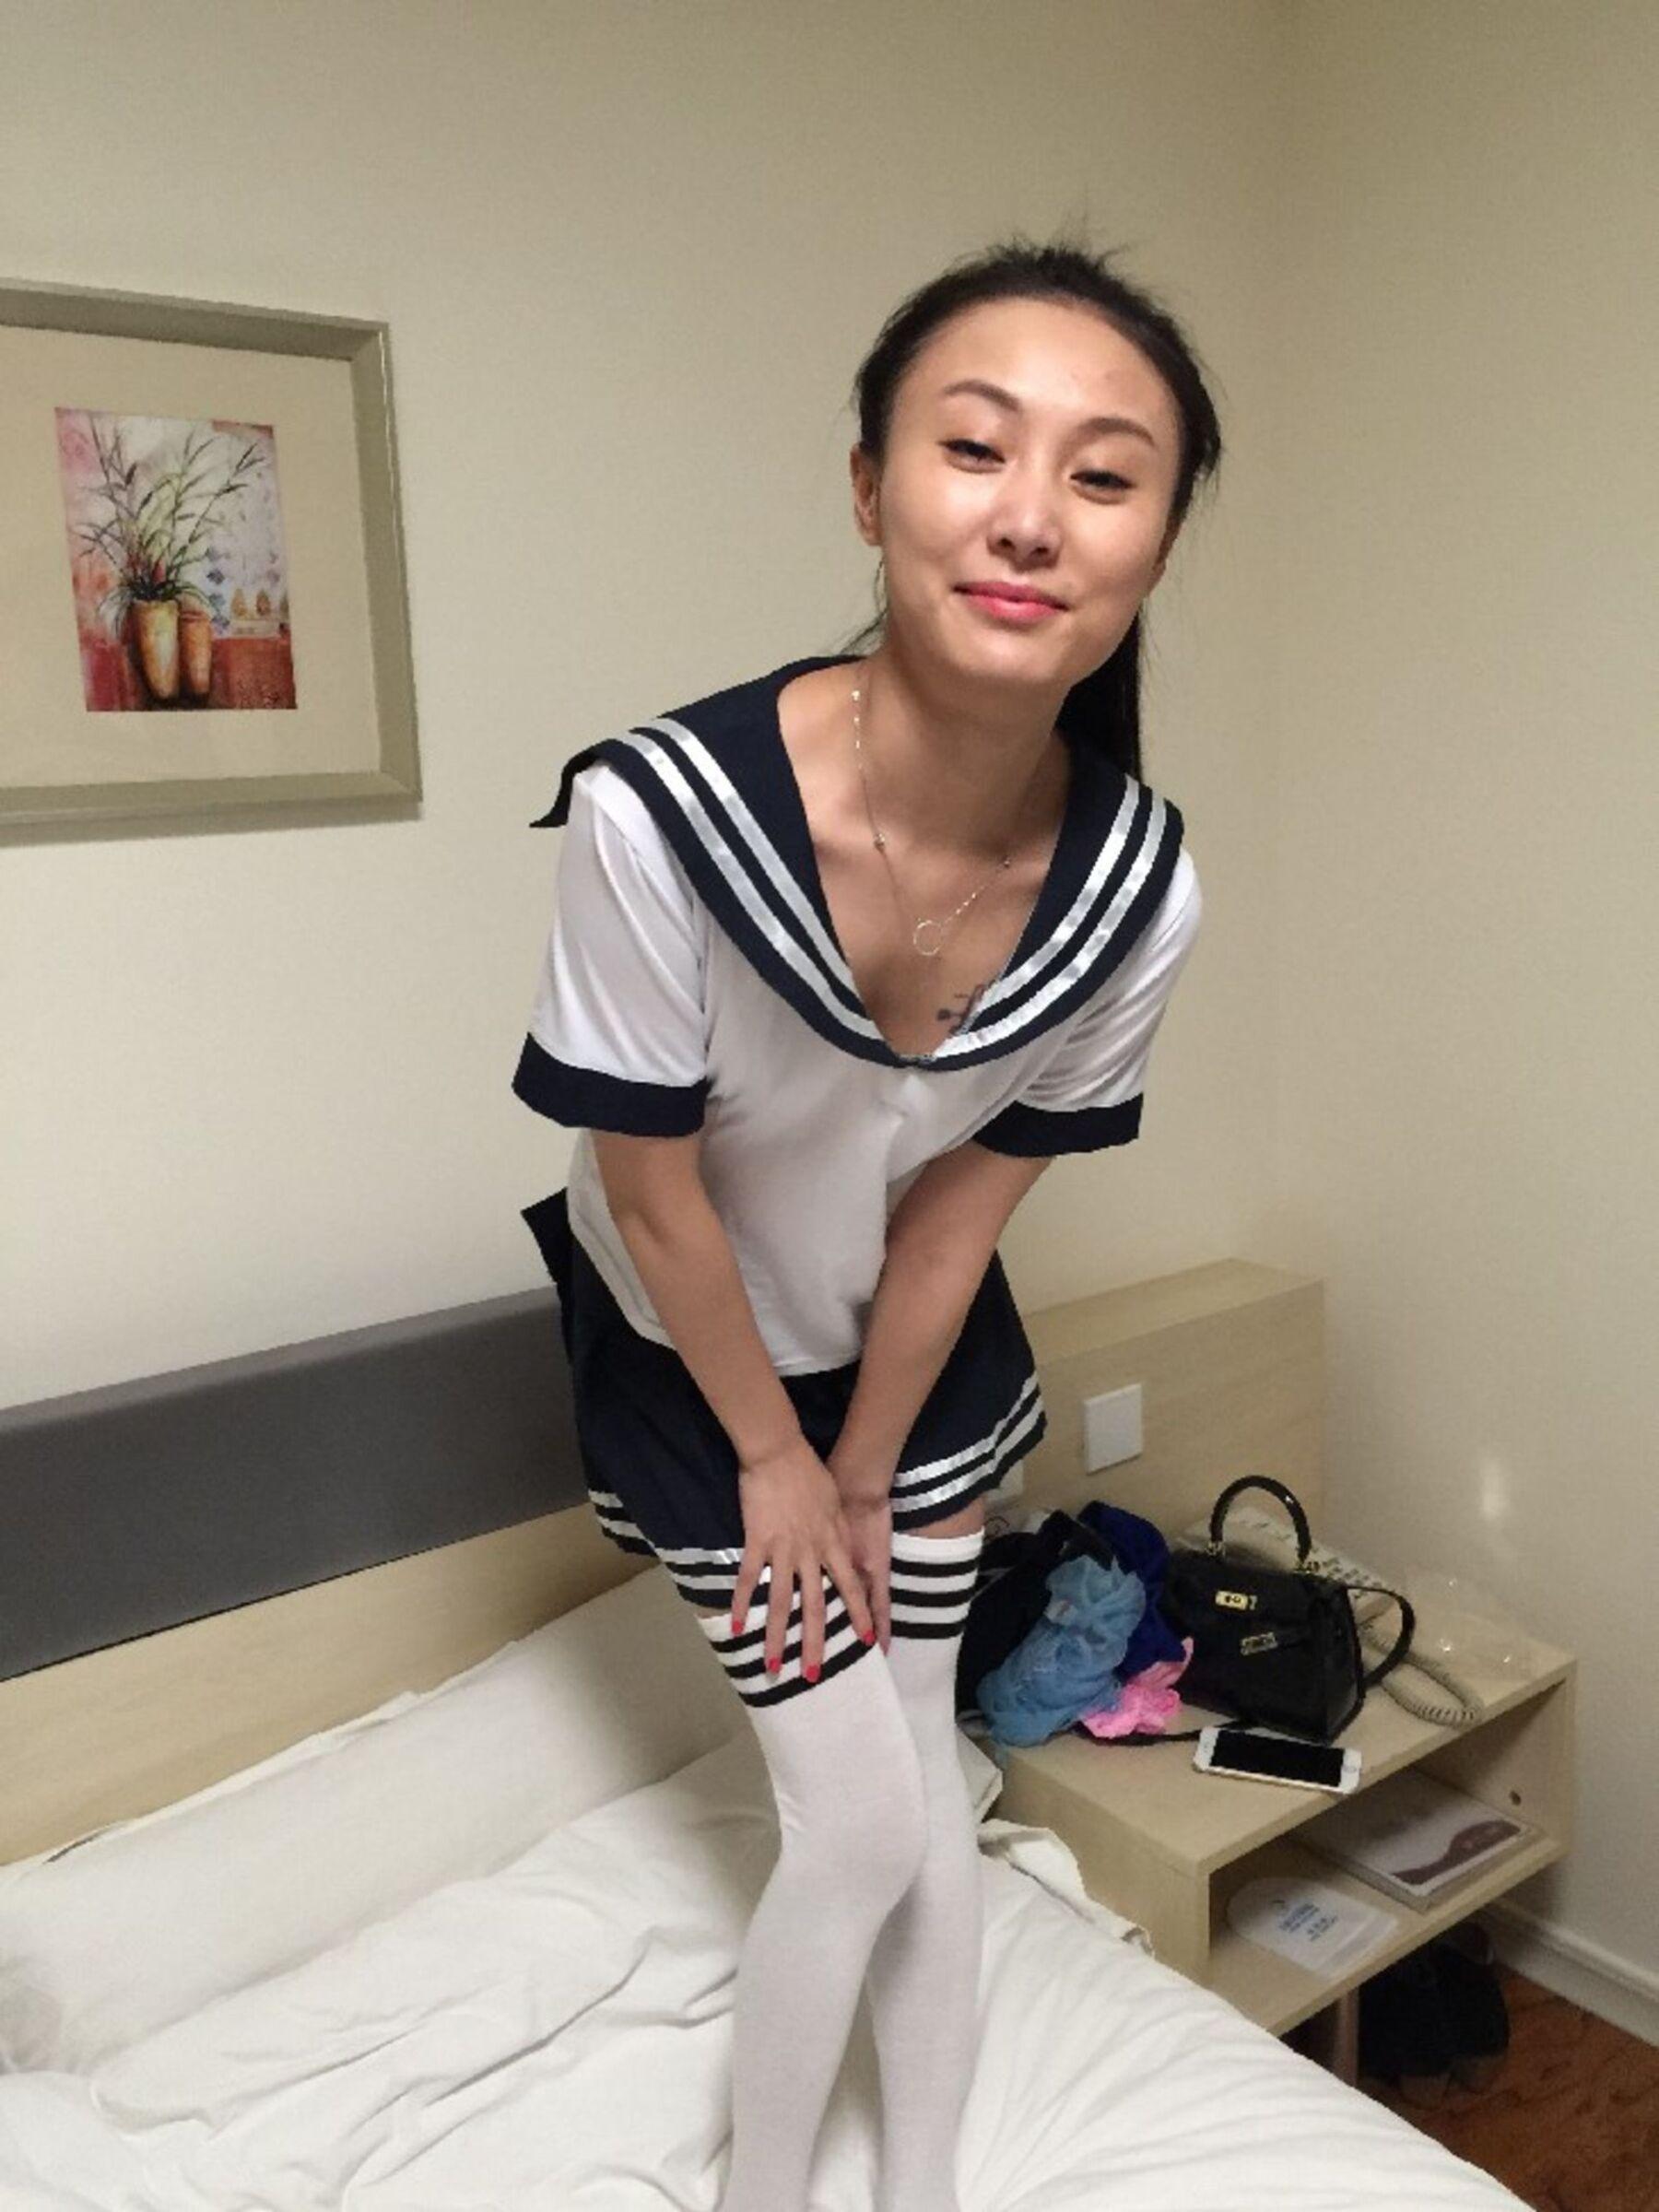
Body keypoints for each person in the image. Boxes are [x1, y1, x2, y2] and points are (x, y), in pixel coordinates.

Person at [512, 230, 1222, 2212]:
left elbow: (952, 1223)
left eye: (1104, 475)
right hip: (698, 1360)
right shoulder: (663, 816)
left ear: (1157, 542)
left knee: (922, 1776)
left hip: (911, 1349)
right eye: (974, 448)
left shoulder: (1137, 888)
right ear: (869, 487)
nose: (1031, 516)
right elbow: (653, 1193)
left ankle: (920, 2190)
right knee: (853, 1825)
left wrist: (866, 1461)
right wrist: (776, 1460)